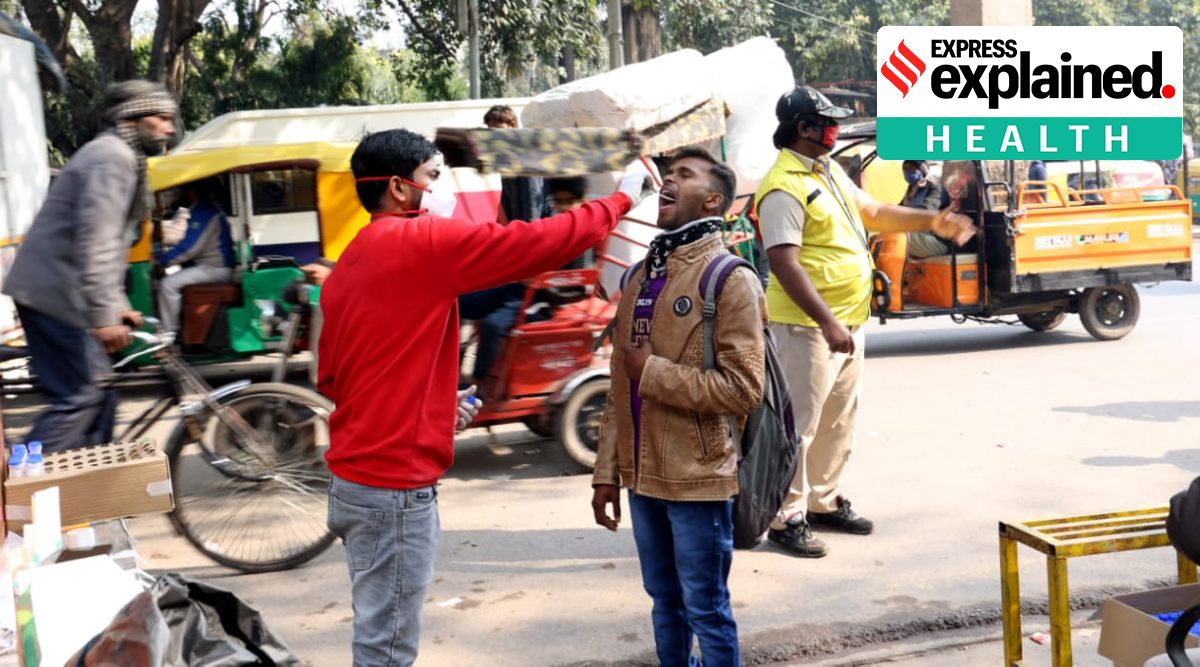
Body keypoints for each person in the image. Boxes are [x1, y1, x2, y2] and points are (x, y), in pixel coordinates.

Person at [318, 128, 653, 666]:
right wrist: (620, 200)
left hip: (355, 482)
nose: (442, 188)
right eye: (434, 176)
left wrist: (432, 410)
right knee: (386, 648)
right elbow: (536, 243)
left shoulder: (348, 262)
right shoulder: (420, 241)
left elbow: (337, 380)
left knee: (377, 628)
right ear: (401, 190)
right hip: (394, 488)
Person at [756, 86, 974, 558]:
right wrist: (828, 322)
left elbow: (873, 213)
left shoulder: (828, 171)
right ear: (803, 129)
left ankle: (823, 501)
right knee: (798, 427)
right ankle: (785, 516)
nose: (835, 128)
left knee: (838, 421)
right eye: (827, 122)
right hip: (806, 328)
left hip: (846, 322)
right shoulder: (782, 186)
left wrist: (933, 222)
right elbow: (784, 262)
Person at [591, 147, 766, 667]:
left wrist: (654, 373)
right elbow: (619, 390)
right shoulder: (641, 276)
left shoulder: (731, 279)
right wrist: (607, 473)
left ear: (713, 199)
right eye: (667, 175)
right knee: (664, 604)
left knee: (706, 609)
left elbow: (743, 389)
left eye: (683, 175)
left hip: (699, 479)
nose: (668, 181)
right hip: (642, 480)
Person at [3, 80, 176, 453]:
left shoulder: (118, 156)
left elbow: (110, 248)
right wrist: (104, 317)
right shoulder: (111, 157)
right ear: (134, 118)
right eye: (161, 118)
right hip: (52, 294)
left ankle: (81, 498)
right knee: (80, 396)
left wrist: (118, 307)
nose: (169, 127)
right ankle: (16, 493)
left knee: (102, 395)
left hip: (63, 293)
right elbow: (95, 243)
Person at [156, 178, 235, 331]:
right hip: (210, 266)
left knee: (168, 285)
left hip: (214, 269)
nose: (178, 195)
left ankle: (169, 334)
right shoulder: (202, 210)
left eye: (181, 191)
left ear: (191, 192)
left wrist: (163, 260)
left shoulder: (204, 213)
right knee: (169, 281)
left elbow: (189, 248)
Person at [899, 160, 948, 259]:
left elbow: (925, 209)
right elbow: (898, 209)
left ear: (923, 170)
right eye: (905, 169)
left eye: (912, 168)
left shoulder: (935, 188)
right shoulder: (911, 191)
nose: (907, 171)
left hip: (936, 240)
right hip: (920, 236)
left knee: (898, 237)